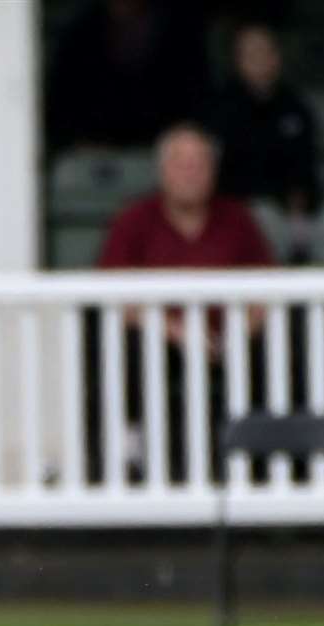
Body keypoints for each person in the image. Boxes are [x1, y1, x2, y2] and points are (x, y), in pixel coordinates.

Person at [95, 124, 275, 482]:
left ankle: (265, 461)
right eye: (182, 163)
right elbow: (113, 293)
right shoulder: (133, 219)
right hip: (160, 340)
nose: (191, 172)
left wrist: (238, 333)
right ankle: (135, 461)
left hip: (229, 341)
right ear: (163, 170)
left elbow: (267, 290)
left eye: (200, 164)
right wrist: (177, 331)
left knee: (277, 351)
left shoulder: (237, 219)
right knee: (127, 350)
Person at [207, 23, 320, 261]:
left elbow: (304, 172)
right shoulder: (220, 109)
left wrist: (296, 211)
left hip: (287, 211)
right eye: (250, 54)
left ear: (277, 57)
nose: (258, 60)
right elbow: (213, 172)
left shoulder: (296, 109)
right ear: (237, 61)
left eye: (264, 52)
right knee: (260, 218)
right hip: (231, 210)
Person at [46, 0, 209, 151]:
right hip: (88, 156)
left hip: (160, 152)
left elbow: (194, 100)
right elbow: (61, 104)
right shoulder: (81, 37)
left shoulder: (178, 34)